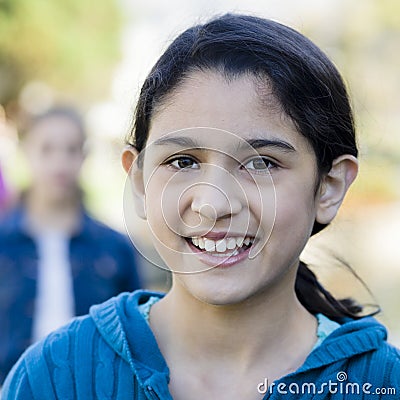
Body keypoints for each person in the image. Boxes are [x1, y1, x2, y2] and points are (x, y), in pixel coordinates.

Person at [3, 14, 400, 399]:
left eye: (261, 163)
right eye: (183, 162)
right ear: (139, 181)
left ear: (328, 188)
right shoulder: (55, 377)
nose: (212, 204)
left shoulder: (381, 383)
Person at [0, 106, 142, 385]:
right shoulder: (3, 243)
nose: (60, 162)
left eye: (71, 150)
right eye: (47, 149)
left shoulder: (114, 248)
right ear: (26, 152)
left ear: (83, 156)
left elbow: (133, 338)